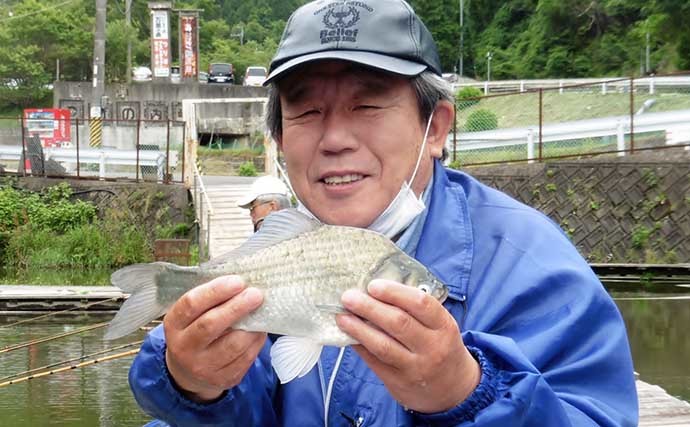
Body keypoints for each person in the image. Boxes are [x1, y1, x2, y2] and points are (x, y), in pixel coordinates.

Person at [128, 1, 639, 425]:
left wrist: (466, 394)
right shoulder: (280, 252)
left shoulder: (535, 267)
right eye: (306, 112)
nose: (334, 140)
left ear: (435, 129)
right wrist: (193, 389)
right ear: (280, 139)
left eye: (367, 106)